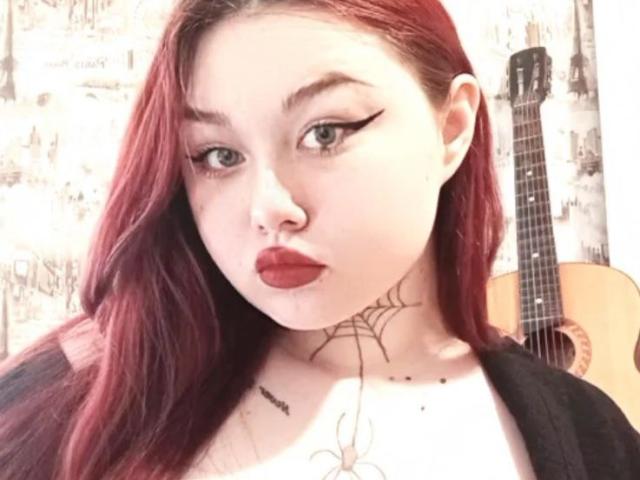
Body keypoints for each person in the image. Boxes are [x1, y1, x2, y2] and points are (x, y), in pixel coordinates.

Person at [0, 0, 638, 479]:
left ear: (450, 127)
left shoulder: (590, 435)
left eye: (325, 133)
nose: (269, 208)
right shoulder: (80, 393)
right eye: (219, 155)